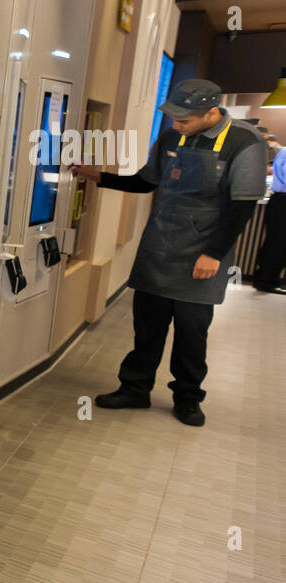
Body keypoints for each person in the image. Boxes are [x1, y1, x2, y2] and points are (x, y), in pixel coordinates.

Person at [70, 79, 267, 426]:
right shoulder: (172, 137)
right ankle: (135, 388)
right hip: (159, 247)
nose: (176, 126)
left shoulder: (245, 142)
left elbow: (243, 207)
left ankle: (188, 398)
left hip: (203, 254)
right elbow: (147, 181)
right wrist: (99, 176)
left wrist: (214, 254)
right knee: (147, 327)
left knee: (192, 333)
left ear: (211, 112)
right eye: (174, 119)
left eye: (184, 120)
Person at [251, 144, 286, 293]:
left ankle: (264, 279)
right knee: (279, 244)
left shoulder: (283, 152)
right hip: (283, 201)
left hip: (278, 199)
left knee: (275, 242)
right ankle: (267, 281)